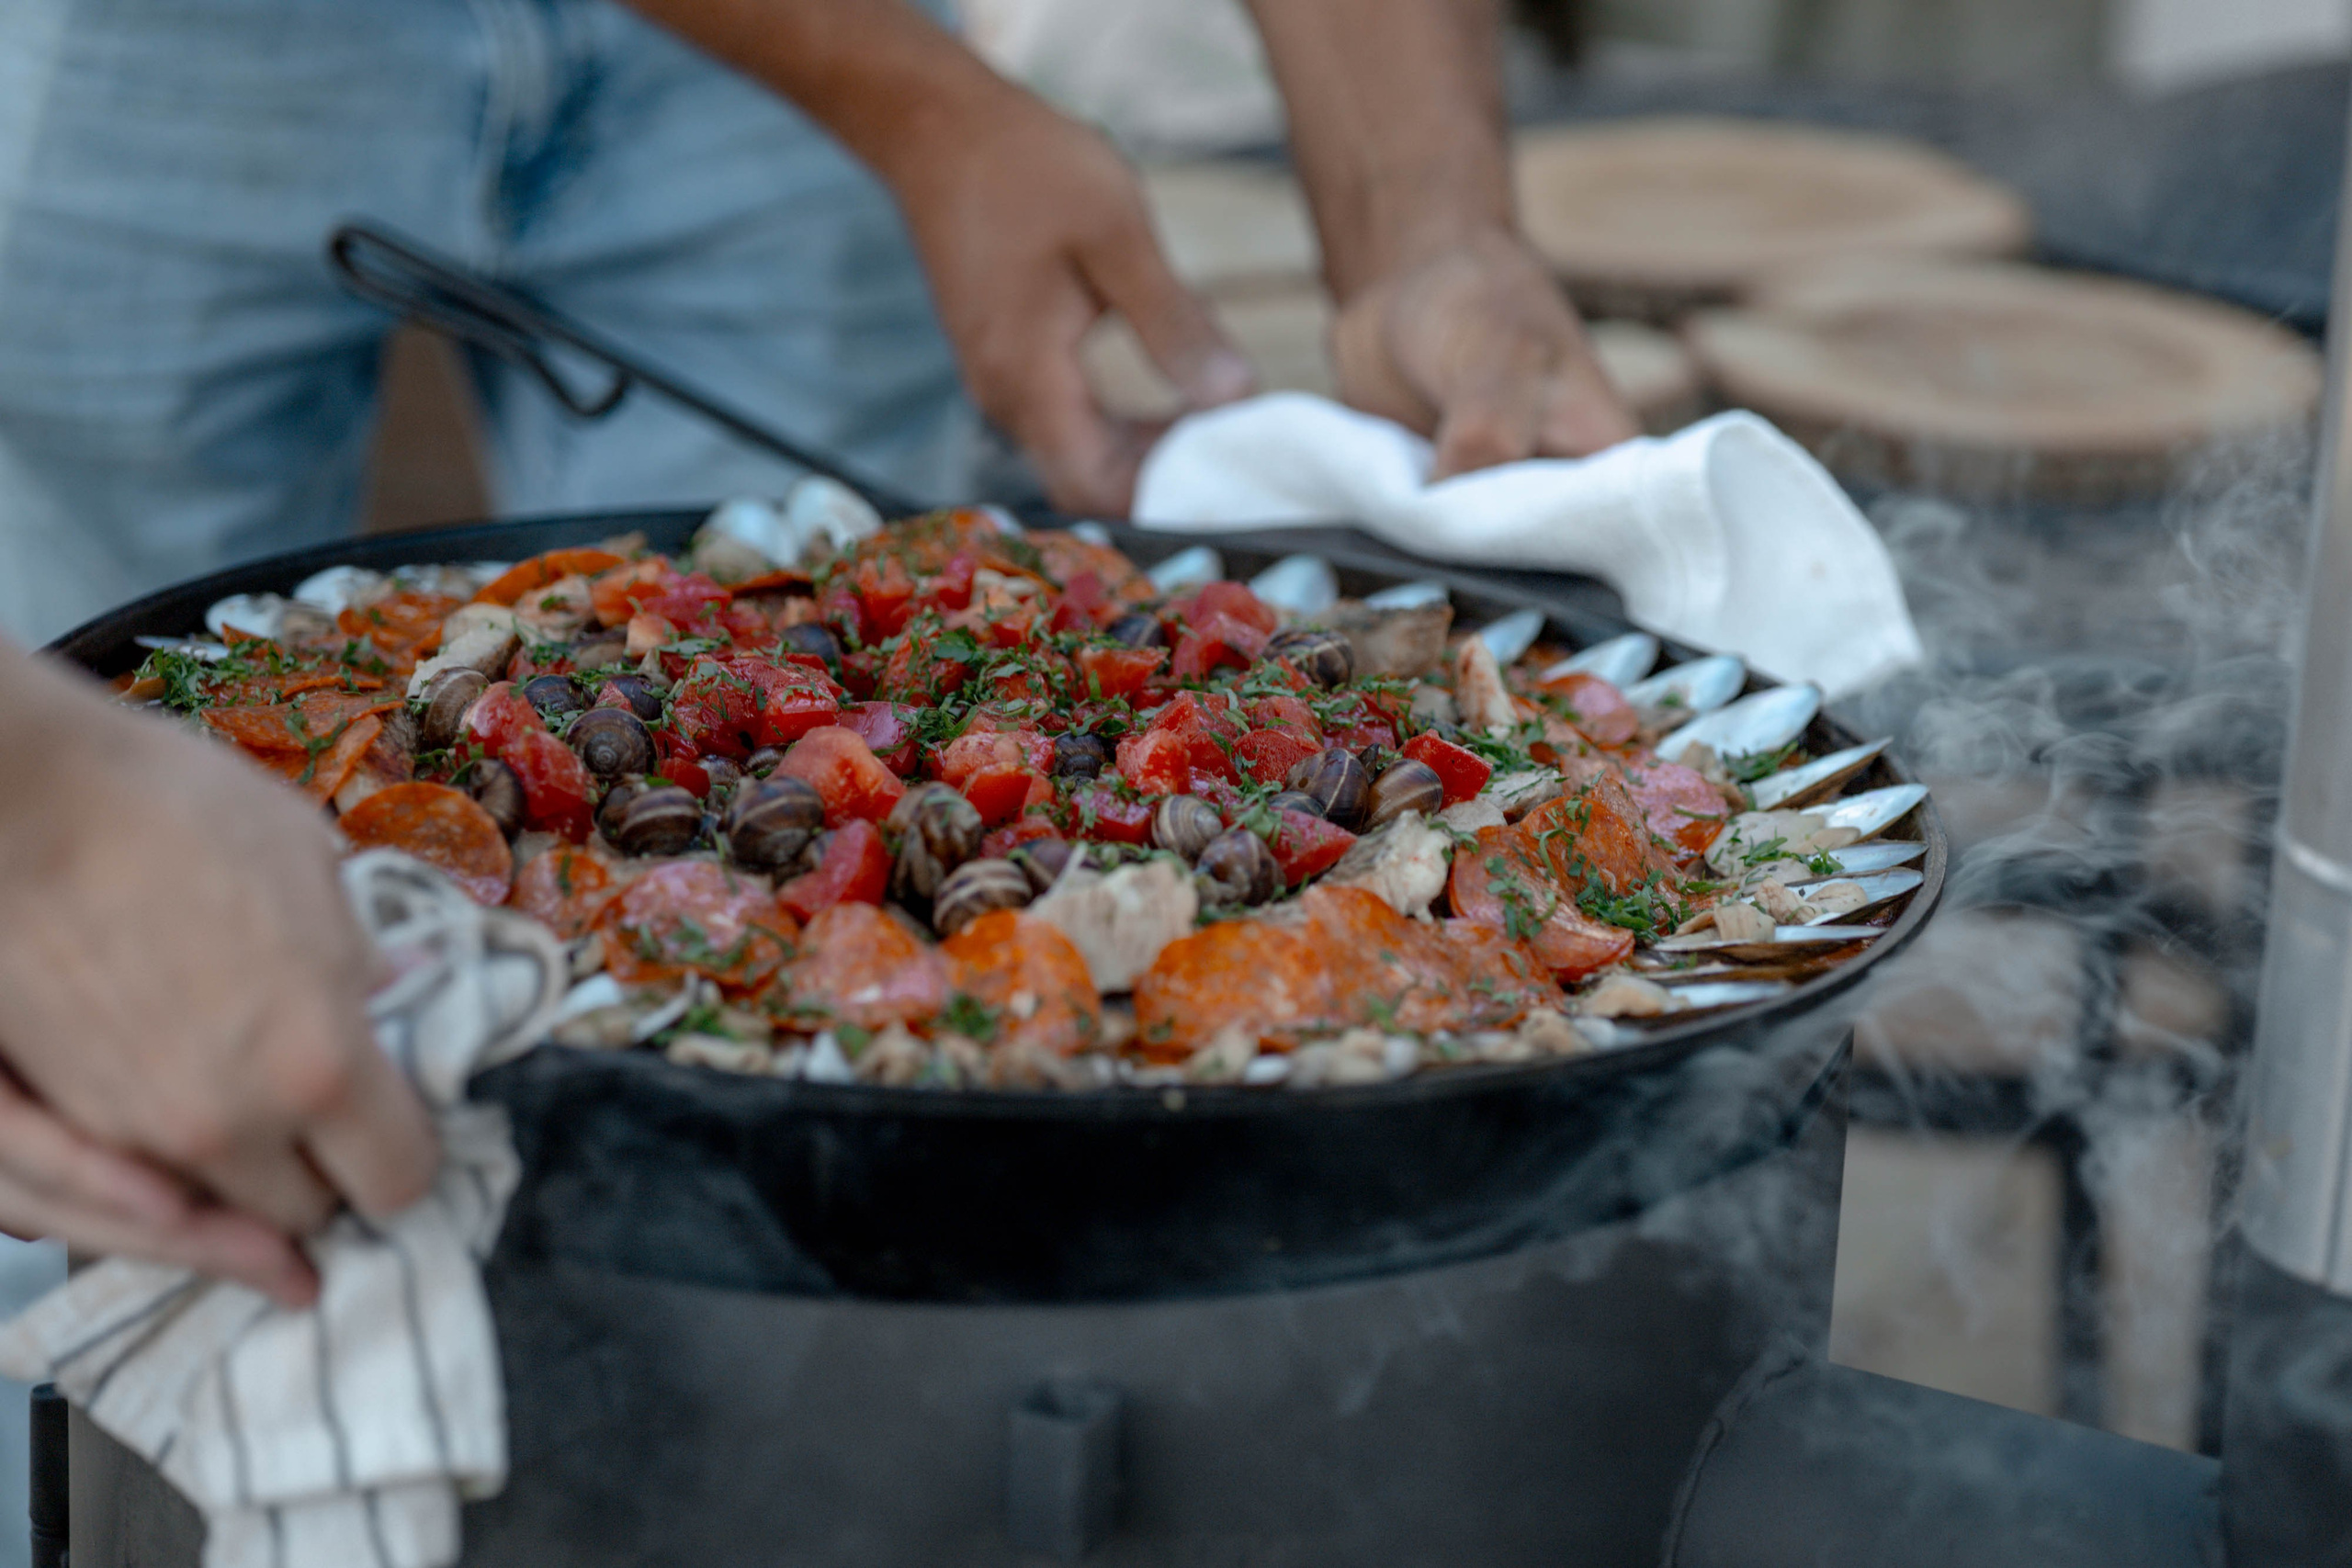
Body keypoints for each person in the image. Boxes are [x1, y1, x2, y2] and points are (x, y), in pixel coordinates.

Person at [0, 0, 1633, 1296]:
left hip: (777, 108)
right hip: (172, 39)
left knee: (873, 1170)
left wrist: (1432, 227)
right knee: (119, 978)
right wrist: (926, 109)